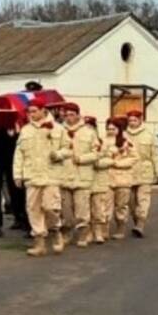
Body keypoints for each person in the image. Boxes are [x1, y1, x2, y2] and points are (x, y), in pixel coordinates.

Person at [12, 100, 70, 257]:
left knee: (50, 206)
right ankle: (39, 242)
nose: (31, 114)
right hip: (32, 175)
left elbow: (68, 149)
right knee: (33, 209)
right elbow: (19, 154)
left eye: (34, 111)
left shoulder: (58, 128)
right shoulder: (25, 130)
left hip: (51, 174)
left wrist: (58, 154)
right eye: (29, 112)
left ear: (43, 110)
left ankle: (56, 231)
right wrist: (18, 174)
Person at [61, 103, 97, 248]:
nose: (69, 118)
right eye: (66, 115)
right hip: (64, 176)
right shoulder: (59, 131)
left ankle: (83, 233)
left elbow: (97, 152)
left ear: (77, 115)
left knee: (82, 209)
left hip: (82, 176)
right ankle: (67, 232)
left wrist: (82, 158)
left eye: (71, 115)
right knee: (65, 210)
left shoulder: (89, 132)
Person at [124, 109, 158, 238]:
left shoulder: (149, 135)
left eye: (135, 120)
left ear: (141, 120)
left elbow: (155, 155)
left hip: (145, 170)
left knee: (143, 199)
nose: (132, 123)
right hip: (128, 171)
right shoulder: (123, 134)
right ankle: (136, 220)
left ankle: (140, 224)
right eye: (130, 120)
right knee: (130, 201)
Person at [104, 117, 138, 239]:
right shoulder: (102, 142)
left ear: (119, 129)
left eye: (113, 128)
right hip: (107, 178)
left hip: (123, 179)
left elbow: (134, 158)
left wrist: (118, 164)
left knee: (121, 206)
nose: (111, 131)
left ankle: (120, 228)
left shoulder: (126, 142)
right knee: (105, 205)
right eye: (108, 128)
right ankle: (104, 229)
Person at [86, 116, 113, 244]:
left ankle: (98, 232)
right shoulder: (78, 143)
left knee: (98, 207)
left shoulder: (102, 143)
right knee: (85, 209)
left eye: (90, 127)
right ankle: (88, 232)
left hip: (99, 179)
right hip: (84, 179)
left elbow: (110, 159)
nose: (88, 129)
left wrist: (98, 163)